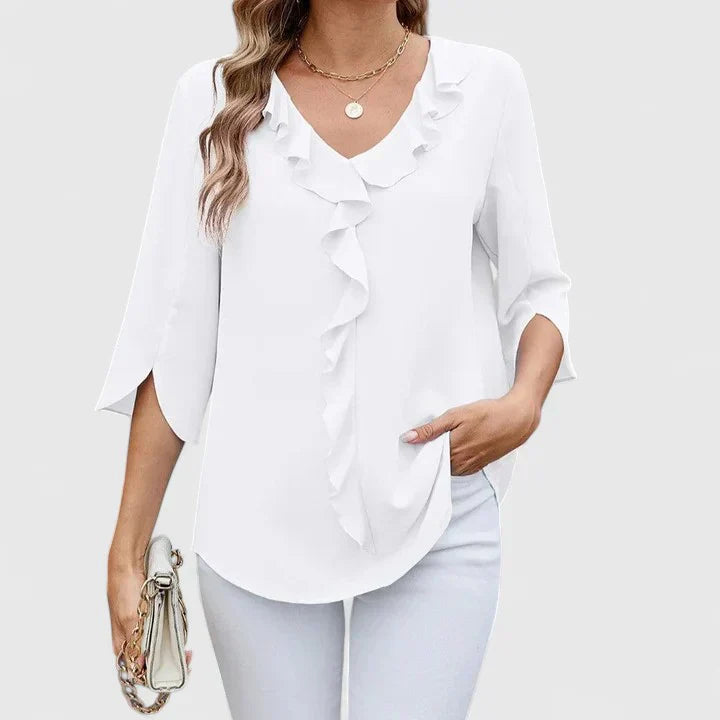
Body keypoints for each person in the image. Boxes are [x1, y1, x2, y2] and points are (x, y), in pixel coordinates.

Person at [100, 1, 575, 717]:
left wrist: (524, 403)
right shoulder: (213, 99)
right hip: (256, 531)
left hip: (438, 509)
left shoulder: (485, 87)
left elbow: (538, 289)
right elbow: (176, 340)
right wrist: (126, 552)